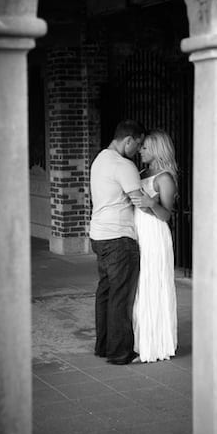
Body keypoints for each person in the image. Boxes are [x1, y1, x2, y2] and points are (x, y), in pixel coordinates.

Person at [89, 119, 145, 365]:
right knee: (121, 296)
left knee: (106, 292)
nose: (138, 152)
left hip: (99, 235)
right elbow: (139, 200)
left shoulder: (100, 159)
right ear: (129, 140)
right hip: (119, 237)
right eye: (138, 145)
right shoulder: (124, 165)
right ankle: (120, 352)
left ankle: (103, 346)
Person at [129, 129, 178, 363]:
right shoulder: (141, 172)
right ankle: (141, 342)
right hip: (139, 233)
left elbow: (166, 215)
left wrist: (149, 204)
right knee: (140, 288)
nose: (141, 150)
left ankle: (156, 345)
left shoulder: (165, 178)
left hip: (155, 236)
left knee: (153, 286)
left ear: (157, 150)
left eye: (146, 147)